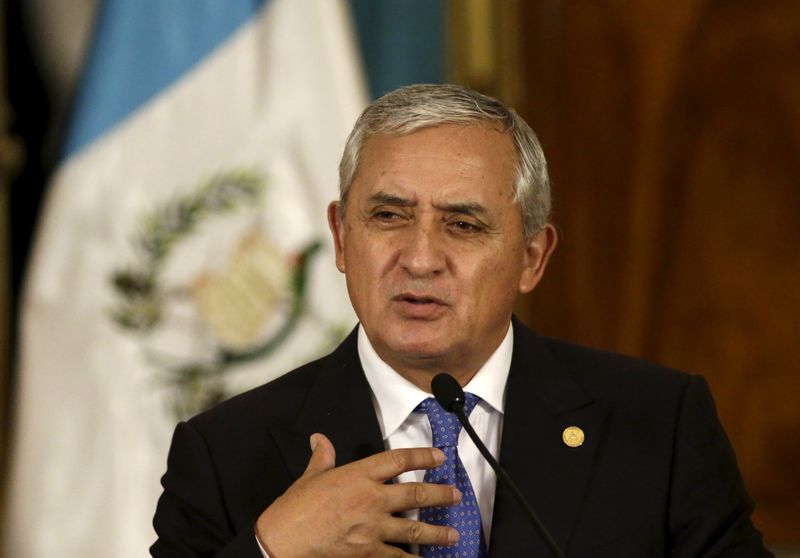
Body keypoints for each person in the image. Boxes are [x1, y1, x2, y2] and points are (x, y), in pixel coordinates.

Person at [150, 84, 771, 557]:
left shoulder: (658, 426)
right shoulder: (225, 452)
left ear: (533, 257)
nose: (420, 259)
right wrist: (272, 548)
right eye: (388, 217)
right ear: (341, 238)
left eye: (464, 225)